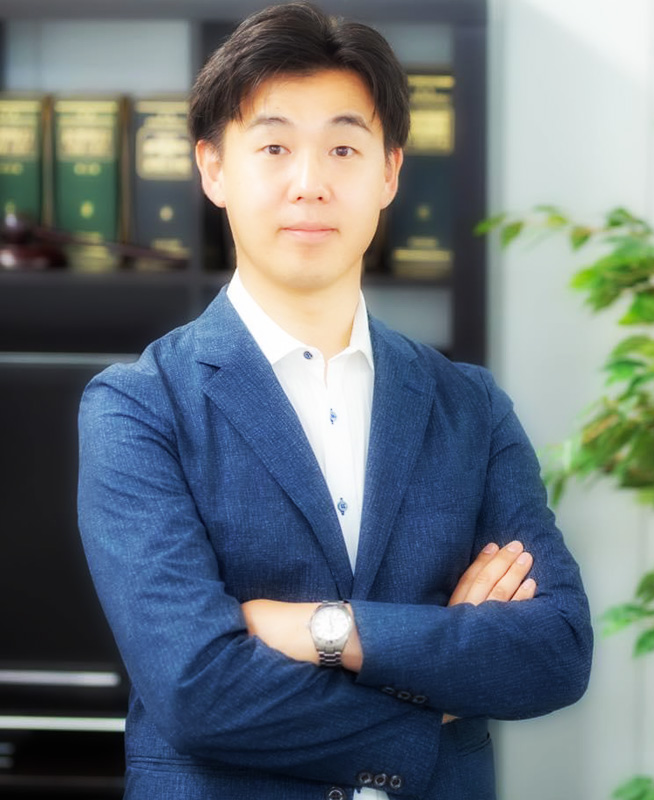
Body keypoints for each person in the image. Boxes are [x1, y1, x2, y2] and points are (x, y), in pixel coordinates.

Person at [77, 3, 592, 799]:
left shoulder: (469, 407)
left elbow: (555, 650)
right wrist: (438, 692)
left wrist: (325, 630)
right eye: (274, 147)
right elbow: (196, 690)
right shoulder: (139, 408)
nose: (310, 183)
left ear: (389, 172)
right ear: (213, 168)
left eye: (344, 148)